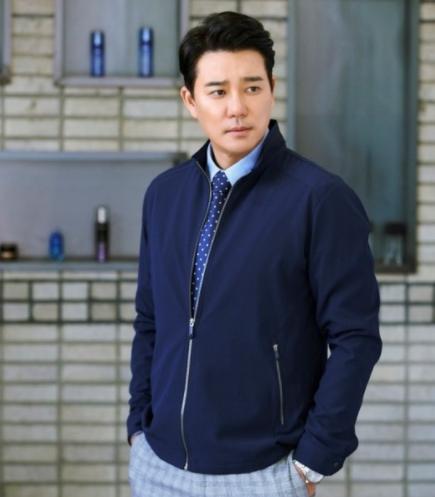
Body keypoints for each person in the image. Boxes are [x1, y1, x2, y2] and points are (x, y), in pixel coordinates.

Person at [127, 10, 382, 497]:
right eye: (218, 91)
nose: (237, 108)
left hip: (265, 473)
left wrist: (312, 461)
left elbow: (355, 337)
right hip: (159, 467)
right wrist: (139, 426)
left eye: (251, 87)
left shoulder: (320, 199)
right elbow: (150, 319)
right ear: (190, 100)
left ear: (272, 89)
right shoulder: (164, 195)